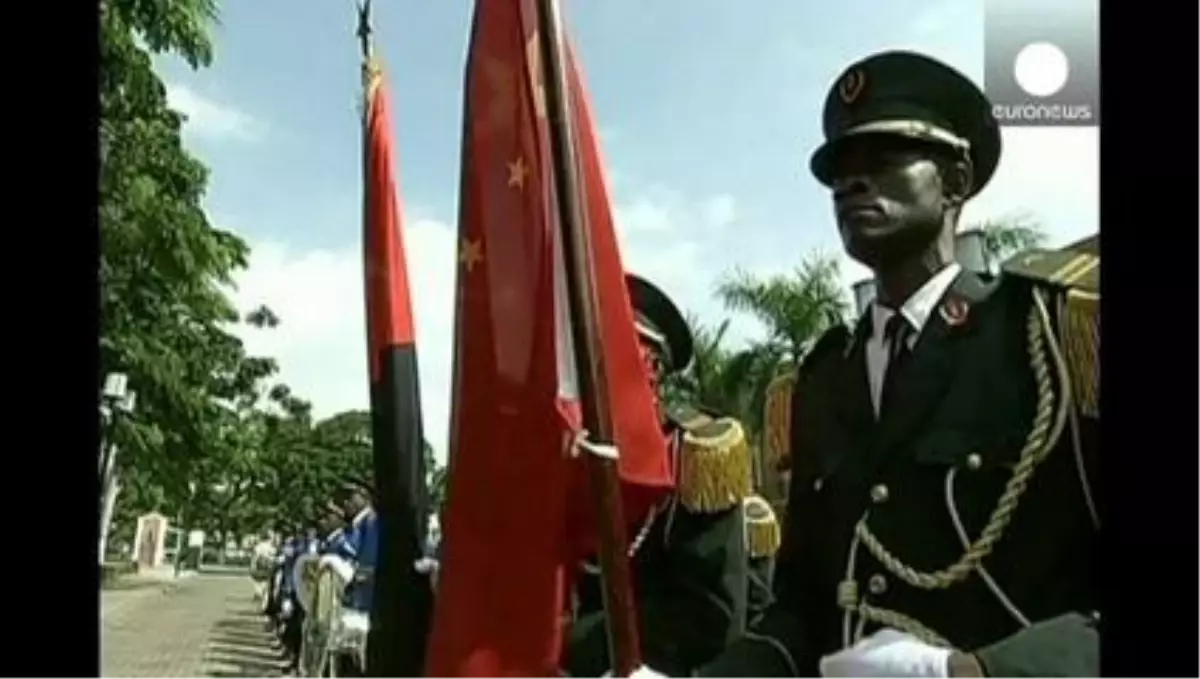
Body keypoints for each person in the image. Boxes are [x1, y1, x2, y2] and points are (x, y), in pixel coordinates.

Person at [688, 50, 1099, 679]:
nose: (852, 184)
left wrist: (972, 672)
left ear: (955, 180)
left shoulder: (1052, 332)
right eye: (840, 173)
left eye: (882, 160)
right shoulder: (822, 380)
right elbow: (800, 607)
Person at [563, 274, 781, 678]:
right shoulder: (560, 464)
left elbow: (710, 621)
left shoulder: (694, 460)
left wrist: (574, 645)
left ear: (653, 373)